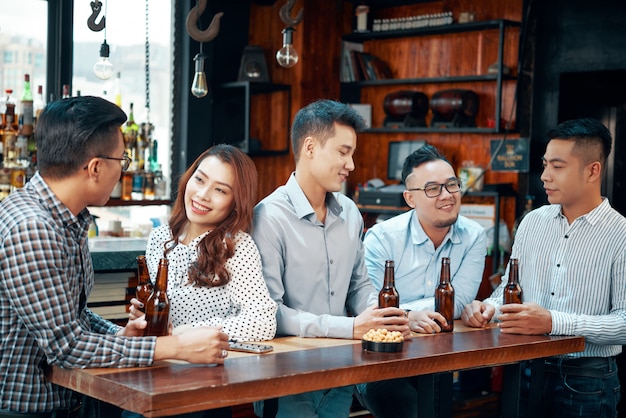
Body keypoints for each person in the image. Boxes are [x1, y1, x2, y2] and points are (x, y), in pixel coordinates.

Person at [0, 96, 230, 417]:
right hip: (29, 411)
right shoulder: (33, 228)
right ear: (95, 167)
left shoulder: (66, 217)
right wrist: (175, 347)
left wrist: (121, 334)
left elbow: (75, 316)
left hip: (69, 400)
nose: (123, 172)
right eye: (122, 161)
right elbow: (68, 347)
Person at [251, 99, 410, 418]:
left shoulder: (350, 213)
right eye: (343, 151)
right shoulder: (268, 217)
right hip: (287, 379)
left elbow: (359, 285)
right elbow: (269, 315)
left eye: (352, 153)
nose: (351, 164)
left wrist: (380, 316)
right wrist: (350, 327)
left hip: (341, 373)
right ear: (310, 147)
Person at [461, 118, 626, 418]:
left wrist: (553, 322)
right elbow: (509, 291)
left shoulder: (621, 234)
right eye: (545, 164)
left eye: (558, 167)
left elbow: (624, 323)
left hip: (587, 379)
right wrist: (487, 308)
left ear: (593, 170)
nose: (545, 176)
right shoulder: (532, 222)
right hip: (524, 368)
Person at [355, 145, 487, 417]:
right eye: (433, 189)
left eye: (452, 185)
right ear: (410, 198)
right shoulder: (381, 238)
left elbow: (459, 299)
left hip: (437, 356)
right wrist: (409, 316)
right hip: (382, 358)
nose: (447, 195)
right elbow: (370, 303)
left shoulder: (474, 236)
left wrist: (408, 310)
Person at [132, 144, 277, 341]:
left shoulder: (236, 246)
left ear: (236, 203)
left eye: (220, 190)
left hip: (210, 364)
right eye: (199, 180)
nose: (203, 195)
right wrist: (144, 317)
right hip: (162, 358)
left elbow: (263, 321)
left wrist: (188, 332)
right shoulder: (160, 237)